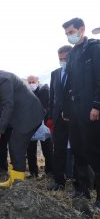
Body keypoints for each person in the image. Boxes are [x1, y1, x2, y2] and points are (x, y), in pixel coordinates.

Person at [0, 60, 44, 187]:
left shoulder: (3, 79)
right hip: (21, 116)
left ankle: (18, 183)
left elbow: (8, 105)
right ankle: (13, 178)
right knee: (13, 145)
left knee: (17, 146)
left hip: (29, 115)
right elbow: (0, 108)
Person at [62, 17, 100, 210]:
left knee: (94, 151)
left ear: (81, 29)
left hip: (91, 109)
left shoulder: (94, 48)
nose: (70, 36)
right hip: (76, 109)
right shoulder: (74, 53)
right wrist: (67, 109)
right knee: (78, 150)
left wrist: (97, 105)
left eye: (71, 32)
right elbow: (70, 83)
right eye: (67, 33)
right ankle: (82, 189)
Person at [48, 45, 73, 191]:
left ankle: (81, 184)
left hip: (73, 118)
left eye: (65, 58)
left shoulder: (76, 72)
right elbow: (52, 98)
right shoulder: (55, 74)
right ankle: (59, 181)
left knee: (78, 150)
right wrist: (51, 117)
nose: (62, 61)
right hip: (58, 119)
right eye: (60, 59)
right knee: (58, 150)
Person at [26, 75, 53, 178]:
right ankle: (33, 173)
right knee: (30, 151)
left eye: (33, 82)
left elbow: (48, 106)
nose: (31, 84)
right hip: (30, 126)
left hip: (43, 125)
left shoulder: (44, 91)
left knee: (47, 149)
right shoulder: (27, 94)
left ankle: (50, 171)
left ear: (38, 82)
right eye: (29, 82)